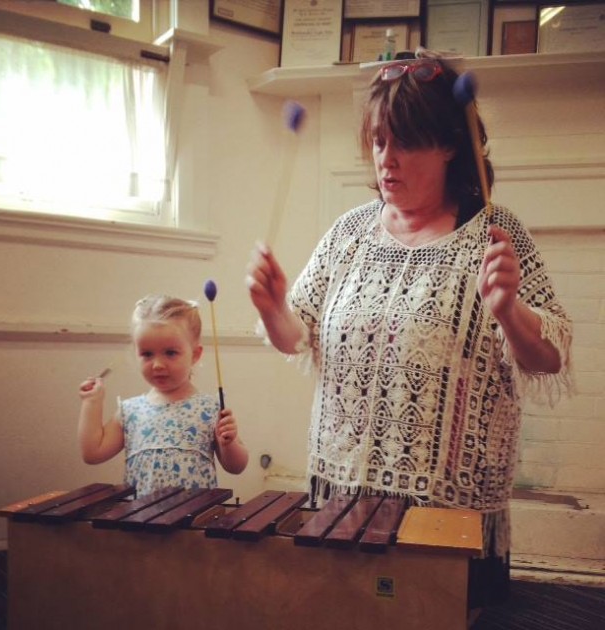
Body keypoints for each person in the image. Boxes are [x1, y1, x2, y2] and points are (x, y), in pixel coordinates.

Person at [246, 49, 573, 607]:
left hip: (450, 518)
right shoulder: (349, 232)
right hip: (344, 505)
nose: (386, 159)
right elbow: (296, 336)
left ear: (449, 145)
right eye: (378, 142)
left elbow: (549, 356)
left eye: (406, 142)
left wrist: (509, 311)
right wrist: (273, 308)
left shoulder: (494, 231)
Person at [78, 295, 249, 497]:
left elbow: (236, 466)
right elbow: (92, 453)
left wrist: (228, 443)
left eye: (170, 353)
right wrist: (92, 402)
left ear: (195, 355)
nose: (158, 364)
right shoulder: (131, 411)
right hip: (140, 521)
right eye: (147, 354)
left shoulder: (209, 408)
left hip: (193, 521)